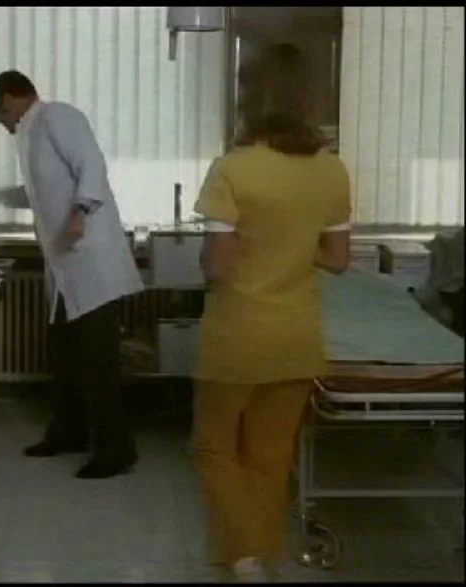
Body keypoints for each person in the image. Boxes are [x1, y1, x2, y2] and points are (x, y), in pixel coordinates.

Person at [191, 43, 351, 581]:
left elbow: (218, 267)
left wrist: (239, 247)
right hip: (297, 339)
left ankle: (242, 558)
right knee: (271, 456)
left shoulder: (232, 170)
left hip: (237, 339)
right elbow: (338, 260)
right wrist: (291, 243)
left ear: (249, 98)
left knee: (215, 449)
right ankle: (261, 557)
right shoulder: (332, 171)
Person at [0, 70, 143, 479]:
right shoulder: (31, 136)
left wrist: (80, 213)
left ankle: (116, 451)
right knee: (66, 357)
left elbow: (91, 165)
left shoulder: (57, 117)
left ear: (8, 100)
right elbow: (37, 192)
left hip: (90, 262)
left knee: (98, 362)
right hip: (66, 270)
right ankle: (68, 432)